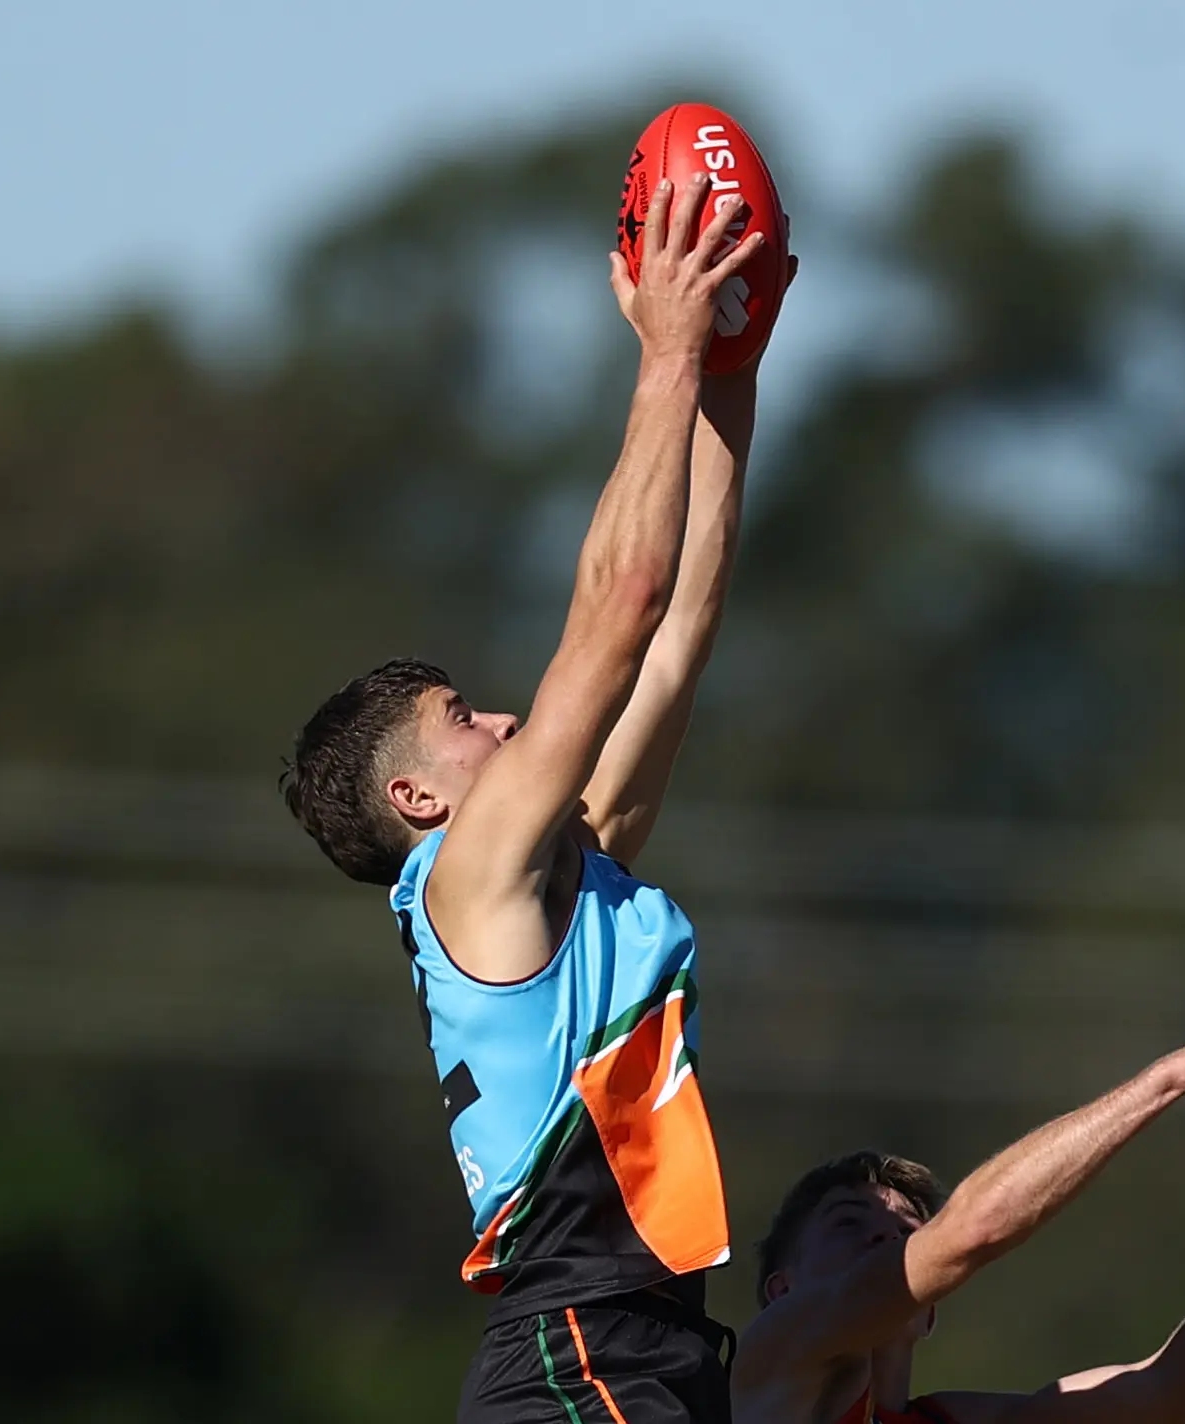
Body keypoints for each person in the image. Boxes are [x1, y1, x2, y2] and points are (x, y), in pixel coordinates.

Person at [281, 172, 783, 1424]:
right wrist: (665, 351)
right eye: (462, 720)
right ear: (415, 794)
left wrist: (732, 363)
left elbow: (673, 636)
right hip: (581, 1346)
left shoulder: (561, 874)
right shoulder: (468, 875)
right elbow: (615, 613)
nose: (499, 718)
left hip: (636, 1343)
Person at [735, 985, 1185, 1424]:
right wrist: (1167, 1078)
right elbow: (971, 1231)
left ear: (929, 1314)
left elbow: (1177, 1389)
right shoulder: (774, 1364)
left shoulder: (958, 1419)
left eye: (907, 1228)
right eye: (850, 1222)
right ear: (780, 1290)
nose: (886, 1238)